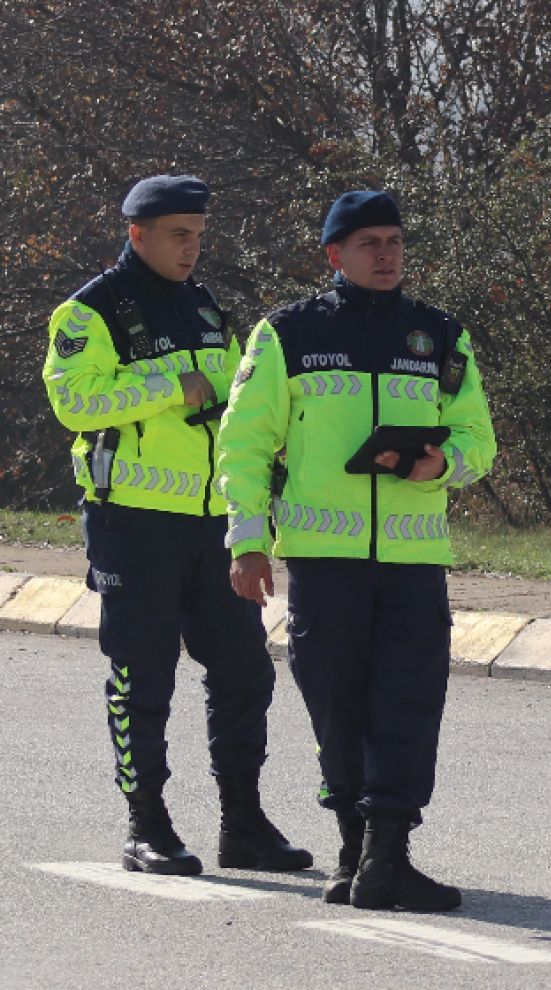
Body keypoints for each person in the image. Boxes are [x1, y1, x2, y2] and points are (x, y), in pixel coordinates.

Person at [218, 190, 496, 912]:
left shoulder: (439, 334)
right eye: (370, 243)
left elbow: (477, 439)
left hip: (412, 561)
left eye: (396, 242)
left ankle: (388, 855)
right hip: (322, 560)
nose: (386, 254)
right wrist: (247, 544)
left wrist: (442, 465)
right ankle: (355, 850)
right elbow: (244, 445)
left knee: (406, 705)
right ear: (334, 254)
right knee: (336, 707)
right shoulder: (287, 334)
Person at [40, 175, 312, 876]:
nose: (192, 248)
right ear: (137, 235)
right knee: (142, 678)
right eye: (178, 235)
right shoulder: (89, 313)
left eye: (198, 234)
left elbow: (234, 394)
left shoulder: (203, 303)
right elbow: (74, 402)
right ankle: (147, 825)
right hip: (132, 524)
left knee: (246, 673)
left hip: (212, 523)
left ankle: (243, 824)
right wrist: (169, 390)